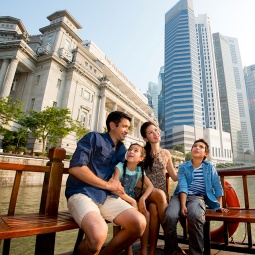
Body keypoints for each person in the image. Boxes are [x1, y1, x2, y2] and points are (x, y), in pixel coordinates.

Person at [65, 111, 146, 255]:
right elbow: (76, 168)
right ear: (112, 125)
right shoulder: (93, 138)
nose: (127, 131)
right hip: (82, 193)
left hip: (107, 197)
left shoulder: (122, 150)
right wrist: (108, 185)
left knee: (139, 223)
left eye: (128, 128)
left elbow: (132, 170)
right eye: (124, 127)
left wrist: (133, 199)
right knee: (98, 235)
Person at [163, 138, 229, 255]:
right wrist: (183, 205)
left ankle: (196, 253)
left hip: (197, 197)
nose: (197, 148)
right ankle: (171, 252)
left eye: (201, 147)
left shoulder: (209, 167)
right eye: (195, 146)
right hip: (179, 196)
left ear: (206, 154)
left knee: (195, 215)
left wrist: (218, 205)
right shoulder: (184, 166)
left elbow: (217, 186)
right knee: (170, 216)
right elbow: (183, 186)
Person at [139, 121, 178, 255]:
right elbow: (138, 175)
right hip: (145, 192)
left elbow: (174, 176)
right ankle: (172, 243)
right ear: (145, 138)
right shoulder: (142, 153)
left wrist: (191, 170)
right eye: (151, 132)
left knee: (154, 210)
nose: (155, 134)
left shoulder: (166, 153)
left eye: (156, 130)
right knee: (159, 196)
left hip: (160, 197)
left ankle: (152, 251)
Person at [112, 143, 154, 255]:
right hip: (118, 199)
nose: (131, 152)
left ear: (141, 158)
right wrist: (132, 201)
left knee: (146, 214)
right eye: (130, 149)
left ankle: (143, 250)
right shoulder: (120, 167)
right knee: (133, 215)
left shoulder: (140, 170)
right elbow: (114, 189)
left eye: (136, 151)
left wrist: (142, 199)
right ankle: (129, 250)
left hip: (131, 199)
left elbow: (150, 186)